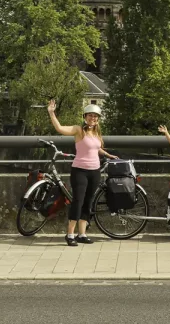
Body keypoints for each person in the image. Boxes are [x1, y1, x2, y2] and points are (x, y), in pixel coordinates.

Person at [48, 99, 119, 246]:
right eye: (90, 116)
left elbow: (95, 148)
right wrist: (51, 113)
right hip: (80, 171)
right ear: (85, 117)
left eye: (95, 116)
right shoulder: (78, 130)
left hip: (95, 171)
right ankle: (70, 234)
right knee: (78, 201)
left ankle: (82, 234)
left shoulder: (97, 133)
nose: (93, 118)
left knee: (88, 202)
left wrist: (107, 155)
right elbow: (60, 129)